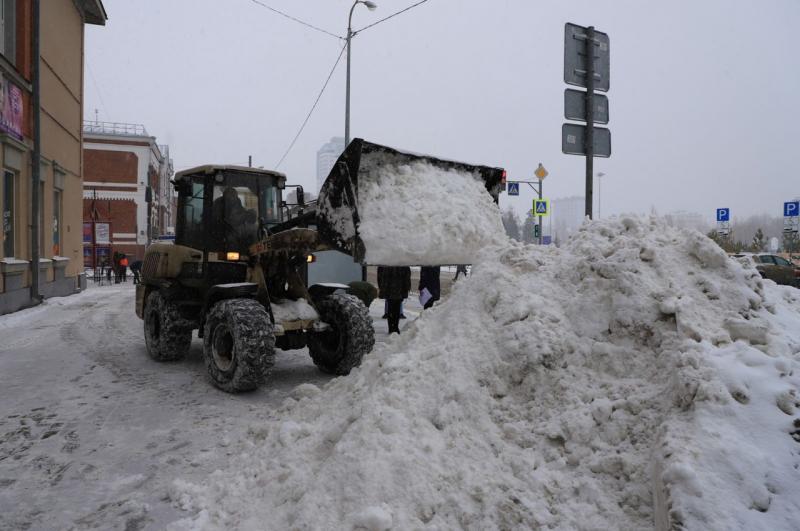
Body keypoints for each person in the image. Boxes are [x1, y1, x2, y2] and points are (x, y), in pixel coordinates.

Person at [212, 186, 258, 251]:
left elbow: (240, 212)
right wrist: (244, 215)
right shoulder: (219, 203)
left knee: (255, 229)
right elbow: (230, 220)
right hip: (222, 229)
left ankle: (254, 251)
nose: (232, 198)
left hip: (235, 228)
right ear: (225, 195)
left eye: (234, 195)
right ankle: (234, 253)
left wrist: (250, 213)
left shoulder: (237, 202)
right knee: (231, 238)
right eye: (230, 195)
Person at [377, 266, 411, 334]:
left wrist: (382, 287)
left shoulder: (386, 262)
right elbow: (407, 277)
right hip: (399, 289)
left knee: (390, 308)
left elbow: (380, 275)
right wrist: (407, 288)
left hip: (388, 289)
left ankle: (391, 327)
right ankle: (395, 327)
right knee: (397, 309)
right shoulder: (402, 263)